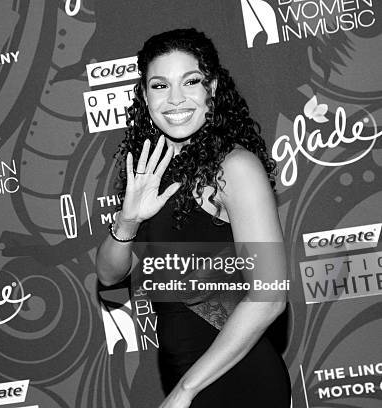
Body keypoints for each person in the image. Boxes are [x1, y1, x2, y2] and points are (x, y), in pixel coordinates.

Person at [95, 28, 291, 408]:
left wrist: (187, 390)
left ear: (212, 90)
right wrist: (129, 219)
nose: (176, 99)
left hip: (236, 381)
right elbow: (108, 275)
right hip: (189, 378)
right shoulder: (152, 174)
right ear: (145, 97)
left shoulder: (234, 168)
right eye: (159, 85)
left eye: (191, 81)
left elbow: (269, 299)